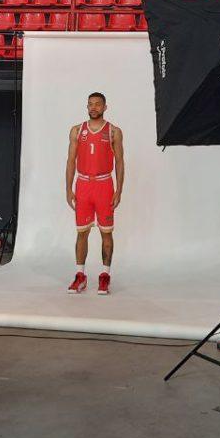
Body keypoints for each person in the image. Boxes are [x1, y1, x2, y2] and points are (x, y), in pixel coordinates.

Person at [64, 92, 125, 295]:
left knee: (106, 232)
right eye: (90, 104)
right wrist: (68, 188)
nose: (94, 107)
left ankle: (105, 276)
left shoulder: (113, 131)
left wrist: (119, 190)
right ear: (87, 107)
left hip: (104, 185)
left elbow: (120, 162)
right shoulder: (77, 130)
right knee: (82, 232)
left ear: (105, 107)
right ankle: (80, 275)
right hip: (83, 185)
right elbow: (70, 161)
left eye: (98, 104)